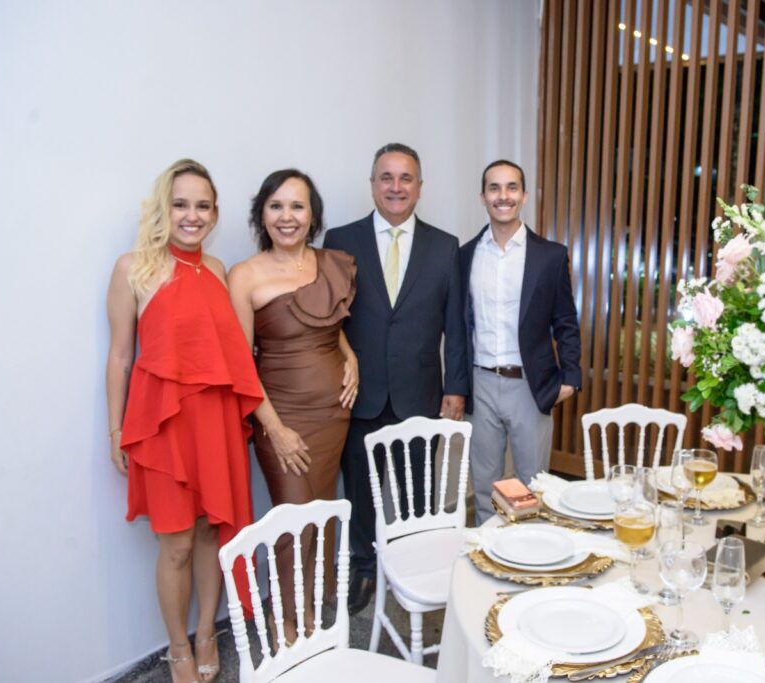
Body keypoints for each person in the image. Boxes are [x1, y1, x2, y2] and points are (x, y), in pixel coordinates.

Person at [106, 159, 262, 683]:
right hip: (164, 427)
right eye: (180, 204)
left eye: (202, 206)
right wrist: (115, 430)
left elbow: (232, 351)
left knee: (210, 533)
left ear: (214, 214)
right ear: (162, 208)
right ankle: (178, 648)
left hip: (214, 421)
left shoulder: (216, 269)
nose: (191, 216)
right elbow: (120, 357)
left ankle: (206, 632)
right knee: (174, 544)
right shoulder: (132, 269)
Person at [323, 142, 468, 613]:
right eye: (386, 177)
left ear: (420, 187)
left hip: (419, 393)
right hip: (358, 394)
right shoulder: (340, 241)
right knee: (360, 492)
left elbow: (455, 324)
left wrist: (456, 387)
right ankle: (364, 569)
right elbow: (330, 320)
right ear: (372, 184)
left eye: (406, 178)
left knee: (416, 495)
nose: (396, 187)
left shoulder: (445, 246)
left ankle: (415, 570)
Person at [227, 169, 358, 645]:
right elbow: (241, 365)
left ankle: (310, 606)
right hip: (281, 416)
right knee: (292, 520)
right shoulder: (244, 275)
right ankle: (288, 621)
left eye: (297, 206)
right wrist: (276, 430)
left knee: (321, 514)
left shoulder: (329, 264)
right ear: (262, 213)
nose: (288, 216)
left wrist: (350, 356)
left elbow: (327, 324)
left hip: (334, 414)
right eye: (277, 206)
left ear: (313, 215)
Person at [461, 159, 582, 523]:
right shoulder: (465, 255)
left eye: (511, 187)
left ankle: (532, 553)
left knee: (533, 488)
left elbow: (565, 321)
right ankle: (487, 552)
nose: (503, 196)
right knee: (485, 489)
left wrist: (570, 378)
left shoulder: (550, 256)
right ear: (482, 196)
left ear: (524, 195)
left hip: (531, 385)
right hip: (480, 383)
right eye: (494, 188)